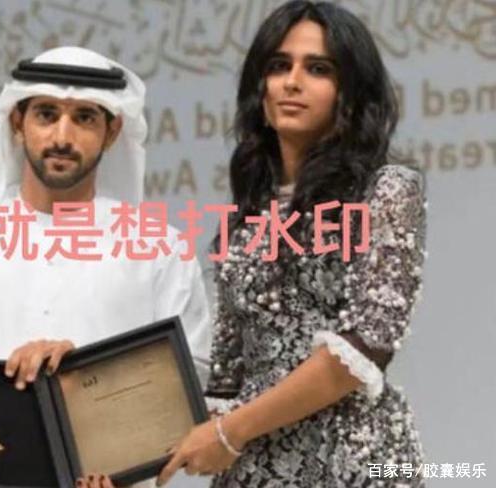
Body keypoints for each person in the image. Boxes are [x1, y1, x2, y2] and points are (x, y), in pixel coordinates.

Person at [0, 47, 211, 488]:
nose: (62, 137)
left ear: (113, 131)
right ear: (18, 122)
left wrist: (85, 379)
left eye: (85, 118)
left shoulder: (159, 247)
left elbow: (192, 372)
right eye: (46, 115)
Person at [157, 2, 427, 487]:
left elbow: (365, 346)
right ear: (259, 91)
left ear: (350, 93)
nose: (292, 82)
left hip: (353, 462)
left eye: (318, 69)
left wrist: (229, 433)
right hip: (252, 467)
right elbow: (227, 374)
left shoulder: (386, 191)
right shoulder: (246, 218)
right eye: (279, 66)